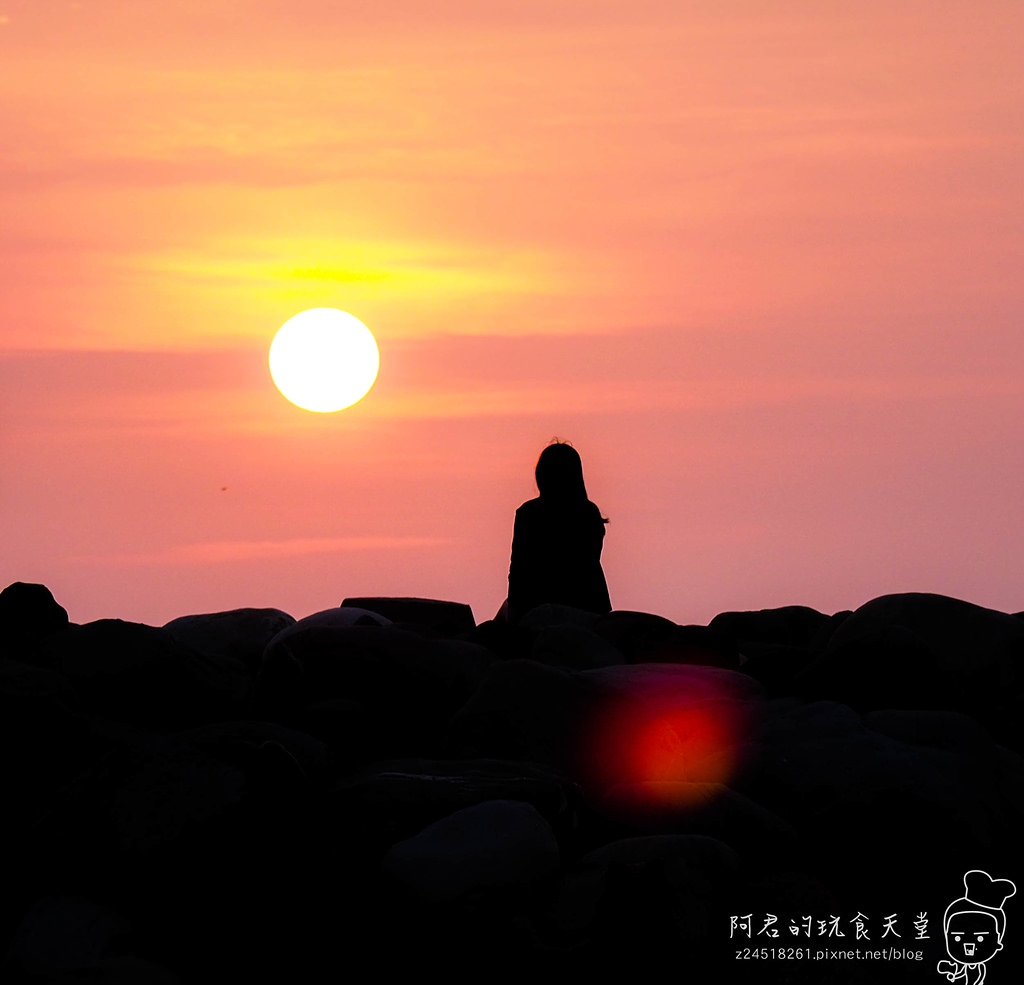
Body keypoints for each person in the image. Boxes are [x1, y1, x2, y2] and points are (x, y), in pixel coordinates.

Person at [506, 441, 611, 623]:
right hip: (591, 607)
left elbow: (518, 574)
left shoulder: (529, 513)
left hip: (538, 608)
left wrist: (514, 619)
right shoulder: (589, 513)